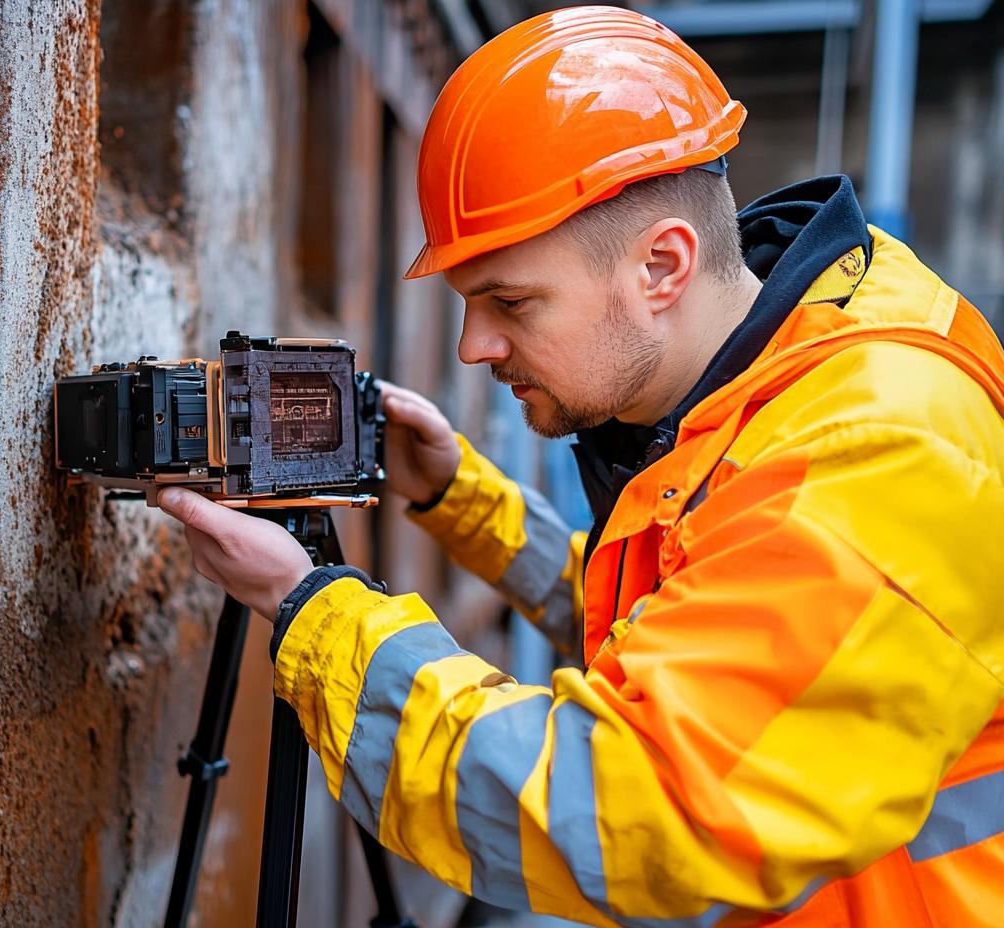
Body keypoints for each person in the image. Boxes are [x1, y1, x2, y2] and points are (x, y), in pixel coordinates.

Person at [159, 7, 1004, 926]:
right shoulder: (772, 385)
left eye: (510, 301)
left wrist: (315, 617)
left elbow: (635, 803)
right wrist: (457, 498)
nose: (476, 344)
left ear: (661, 267)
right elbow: (689, 626)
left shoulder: (876, 452)